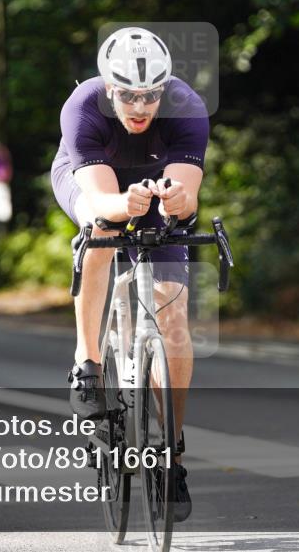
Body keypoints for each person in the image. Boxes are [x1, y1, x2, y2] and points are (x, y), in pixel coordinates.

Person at [50, 26, 209, 521]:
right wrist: (122, 204)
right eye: (128, 95)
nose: (140, 107)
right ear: (108, 87)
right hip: (95, 184)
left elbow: (186, 197)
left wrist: (177, 202)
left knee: (175, 322)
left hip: (156, 181)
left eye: (151, 96)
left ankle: (172, 451)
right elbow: (99, 199)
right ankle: (89, 361)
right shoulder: (82, 106)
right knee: (101, 231)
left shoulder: (188, 107)